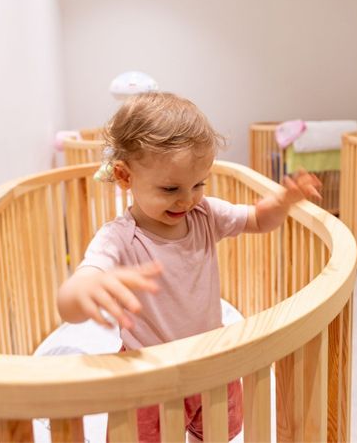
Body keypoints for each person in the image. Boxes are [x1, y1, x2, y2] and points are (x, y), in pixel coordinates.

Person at [56, 92, 322, 442]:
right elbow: (72, 300)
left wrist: (283, 201)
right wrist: (84, 291)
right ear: (124, 176)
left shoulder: (205, 214)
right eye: (170, 188)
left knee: (215, 435)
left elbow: (257, 219)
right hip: (151, 378)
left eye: (199, 184)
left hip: (213, 364)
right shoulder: (119, 238)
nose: (187, 198)